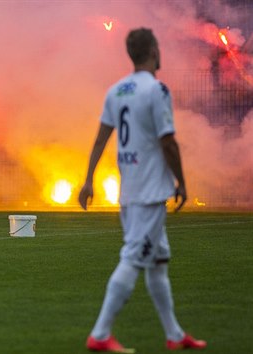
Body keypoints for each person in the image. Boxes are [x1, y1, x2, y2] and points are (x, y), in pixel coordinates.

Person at [77, 28, 206, 352]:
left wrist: (89, 179)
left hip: (131, 187)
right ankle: (101, 334)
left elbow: (100, 138)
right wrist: (182, 182)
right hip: (149, 191)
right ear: (152, 50)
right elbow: (168, 141)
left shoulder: (116, 90)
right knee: (133, 258)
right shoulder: (157, 90)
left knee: (158, 262)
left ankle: (175, 335)